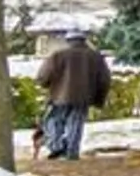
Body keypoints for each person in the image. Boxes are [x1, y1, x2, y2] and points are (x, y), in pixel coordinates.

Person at [33, 28, 109, 161]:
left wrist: (45, 85)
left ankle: (56, 146)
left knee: (53, 121)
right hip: (83, 97)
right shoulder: (96, 57)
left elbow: (42, 77)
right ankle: (71, 152)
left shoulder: (58, 55)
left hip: (58, 96)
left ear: (68, 40)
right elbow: (104, 80)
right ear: (84, 40)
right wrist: (99, 98)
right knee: (76, 123)